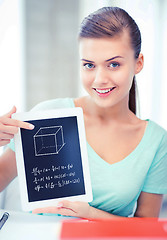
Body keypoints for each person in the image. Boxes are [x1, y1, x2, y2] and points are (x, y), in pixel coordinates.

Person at [0, 6, 167, 218]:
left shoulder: (156, 141)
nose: (99, 79)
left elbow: (148, 227)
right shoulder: (48, 115)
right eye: (89, 65)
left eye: (114, 64)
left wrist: (90, 213)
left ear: (138, 63)